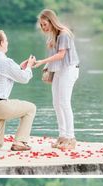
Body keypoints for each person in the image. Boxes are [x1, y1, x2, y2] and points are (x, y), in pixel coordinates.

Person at [34, 9, 79, 150]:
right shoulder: (54, 36)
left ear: (51, 21)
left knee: (64, 103)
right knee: (56, 103)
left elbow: (61, 55)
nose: (43, 27)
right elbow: (56, 57)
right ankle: (62, 136)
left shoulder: (64, 34)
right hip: (59, 70)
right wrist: (48, 66)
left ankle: (71, 138)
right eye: (41, 25)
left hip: (69, 70)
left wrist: (42, 61)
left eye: (45, 24)